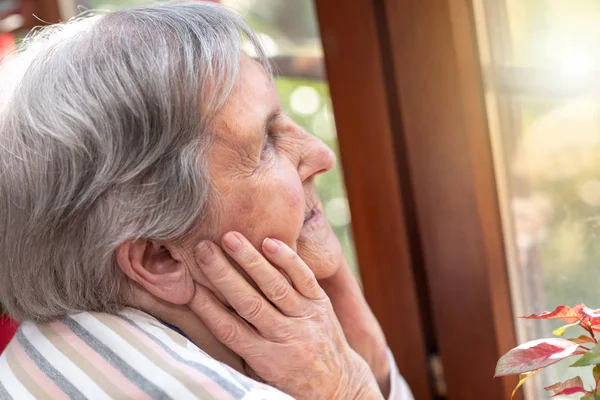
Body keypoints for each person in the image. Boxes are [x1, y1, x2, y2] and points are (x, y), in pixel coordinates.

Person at [0, 3, 413, 399]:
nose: (322, 155)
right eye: (267, 142)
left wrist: (368, 360)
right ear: (161, 256)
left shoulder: (51, 348)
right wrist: (346, 389)